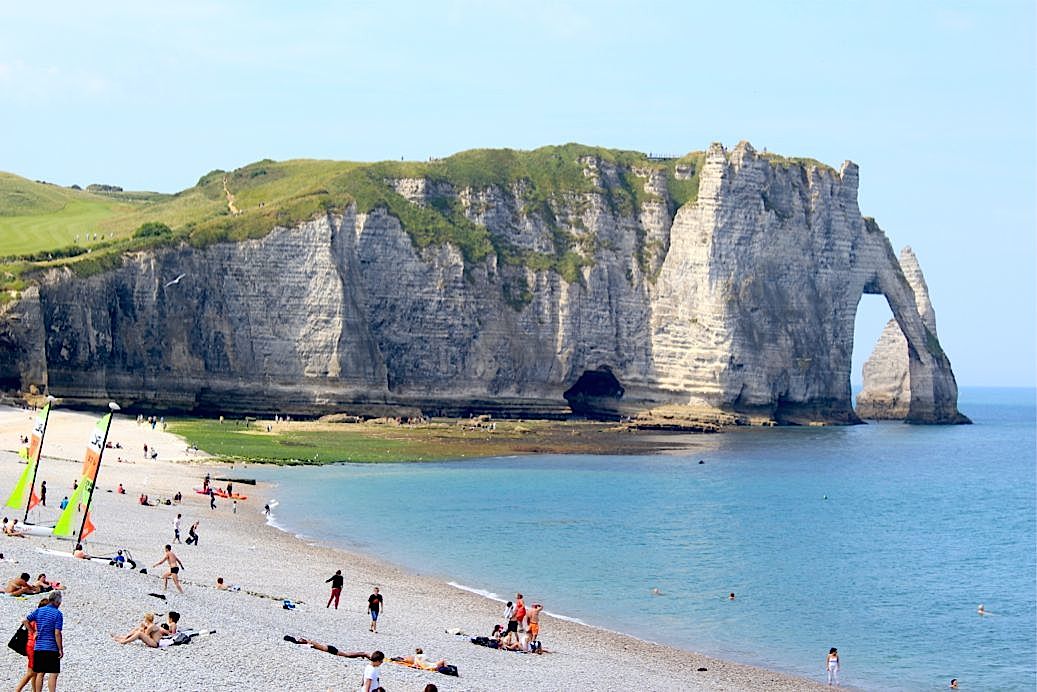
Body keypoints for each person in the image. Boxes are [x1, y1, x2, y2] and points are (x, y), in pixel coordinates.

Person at [24, 590, 62, 692]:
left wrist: (33, 632)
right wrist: (60, 649)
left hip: (39, 647)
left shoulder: (39, 611)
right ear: (57, 602)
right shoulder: (58, 614)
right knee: (53, 673)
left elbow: (25, 621)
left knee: (40, 673)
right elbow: (57, 633)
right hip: (51, 647)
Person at [14, 596, 49, 692]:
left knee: (34, 672)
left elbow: (24, 620)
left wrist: (30, 630)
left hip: (30, 646)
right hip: (35, 647)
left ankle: (35, 690)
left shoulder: (35, 615)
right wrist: (34, 632)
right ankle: (17, 690)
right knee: (31, 672)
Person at [284, 635, 370, 659]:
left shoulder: (308, 644)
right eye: (300, 640)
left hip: (329, 649)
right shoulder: (308, 643)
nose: (301, 639)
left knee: (346, 655)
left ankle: (363, 654)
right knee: (346, 654)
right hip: (328, 648)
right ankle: (361, 654)